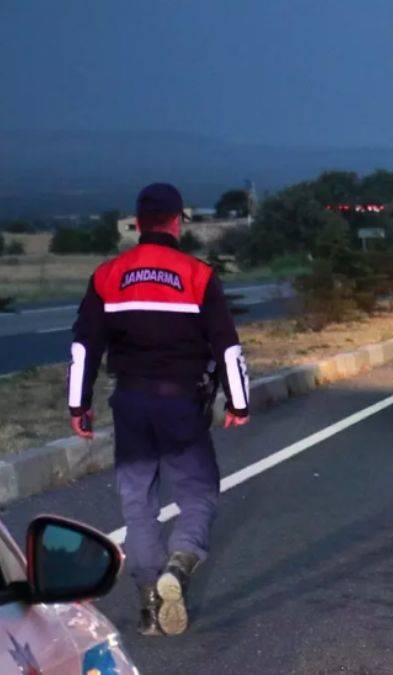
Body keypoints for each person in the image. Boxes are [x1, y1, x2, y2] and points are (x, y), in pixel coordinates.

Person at [68, 183, 249, 636]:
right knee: (198, 493)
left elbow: (83, 347)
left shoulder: (108, 274)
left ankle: (149, 602)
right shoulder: (197, 275)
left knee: (137, 501)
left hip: (129, 401)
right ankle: (181, 561)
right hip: (181, 403)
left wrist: (79, 404)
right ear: (176, 221)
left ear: (138, 222)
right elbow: (227, 347)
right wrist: (239, 401)